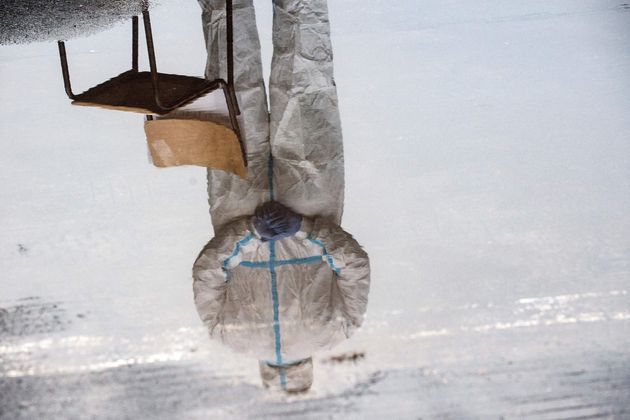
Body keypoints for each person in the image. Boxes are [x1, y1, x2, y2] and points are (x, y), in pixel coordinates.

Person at [192, 0, 370, 393]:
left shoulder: (339, 331)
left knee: (307, 85)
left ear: (309, 369)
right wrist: (249, 232)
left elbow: (354, 264)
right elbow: (207, 270)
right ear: (264, 372)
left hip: (311, 199)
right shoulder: (226, 336)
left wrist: (305, 228)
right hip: (239, 207)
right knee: (231, 89)